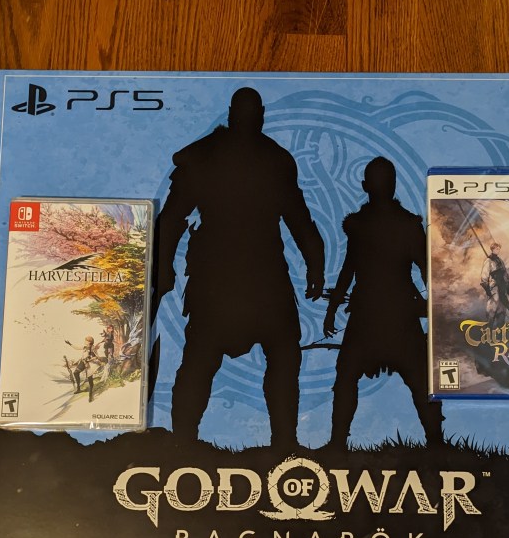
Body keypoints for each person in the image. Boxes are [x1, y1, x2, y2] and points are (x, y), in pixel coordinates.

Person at [153, 87, 325, 449]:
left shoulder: (252, 159)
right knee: (209, 357)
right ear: (252, 115)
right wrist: (315, 266)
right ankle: (190, 440)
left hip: (247, 275)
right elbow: (170, 220)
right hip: (234, 275)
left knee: (269, 354)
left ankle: (280, 441)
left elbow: (299, 219)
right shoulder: (260, 159)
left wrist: (316, 266)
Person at [323, 157, 443, 448]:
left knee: (348, 376)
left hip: (371, 315)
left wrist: (332, 309)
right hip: (397, 314)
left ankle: (338, 443)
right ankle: (436, 442)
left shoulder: (362, 226)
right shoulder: (406, 225)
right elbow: (427, 271)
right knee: (419, 380)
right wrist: (437, 308)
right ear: (393, 186)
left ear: (365, 186)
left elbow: (348, 271)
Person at [480, 241, 509, 327]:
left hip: (502, 286)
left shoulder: (500, 260)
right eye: (496, 249)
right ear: (493, 249)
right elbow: (484, 276)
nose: (498, 250)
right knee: (492, 309)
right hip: (494, 288)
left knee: (502, 310)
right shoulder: (488, 260)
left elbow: (505, 274)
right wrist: (487, 290)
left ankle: (500, 329)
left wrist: (508, 287)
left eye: (499, 249)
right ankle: (489, 328)